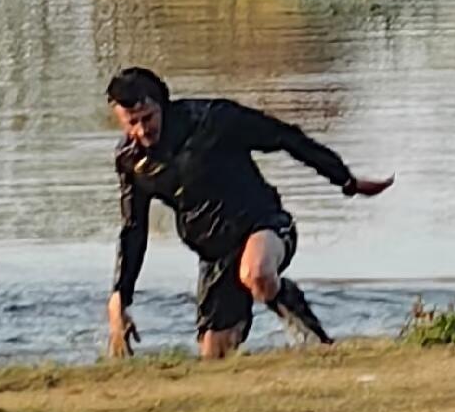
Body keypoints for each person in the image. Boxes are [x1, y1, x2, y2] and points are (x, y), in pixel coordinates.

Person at [105, 67, 393, 359]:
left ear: (162, 105)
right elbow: (133, 228)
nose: (142, 131)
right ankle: (275, 309)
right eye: (131, 123)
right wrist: (120, 296)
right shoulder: (130, 160)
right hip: (215, 255)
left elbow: (284, 137)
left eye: (148, 118)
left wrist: (345, 180)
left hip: (262, 224)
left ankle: (315, 341)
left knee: (256, 274)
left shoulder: (212, 120)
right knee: (214, 358)